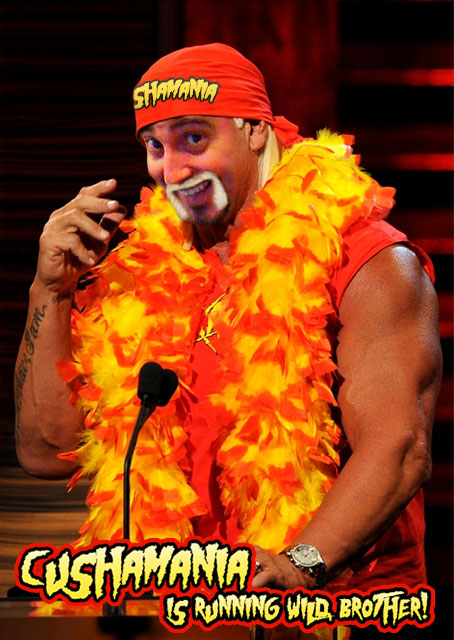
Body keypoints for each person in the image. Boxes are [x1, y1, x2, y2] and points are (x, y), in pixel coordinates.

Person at [14, 43, 441, 635]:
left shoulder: (368, 261)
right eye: (155, 147)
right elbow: (44, 451)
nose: (171, 170)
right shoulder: (139, 274)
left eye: (193, 138)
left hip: (334, 609)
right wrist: (50, 290)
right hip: (183, 614)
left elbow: (400, 448)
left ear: (255, 130)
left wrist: (301, 564)